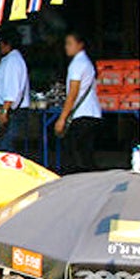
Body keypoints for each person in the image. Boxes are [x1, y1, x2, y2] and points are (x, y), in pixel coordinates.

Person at [53, 32, 102, 173]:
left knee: (76, 156)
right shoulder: (85, 62)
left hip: (82, 114)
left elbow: (73, 94)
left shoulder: (78, 64)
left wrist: (62, 118)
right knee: (85, 154)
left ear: (80, 45)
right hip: (91, 113)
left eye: (69, 43)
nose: (66, 47)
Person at [0, 31, 31, 154]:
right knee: (3, 147)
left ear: (7, 44)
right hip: (7, 110)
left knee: (6, 149)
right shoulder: (9, 60)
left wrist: (4, 111)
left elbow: (12, 89)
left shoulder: (13, 61)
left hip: (12, 113)